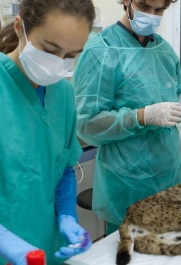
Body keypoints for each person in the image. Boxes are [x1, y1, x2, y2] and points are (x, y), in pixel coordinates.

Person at [72, 0, 181, 235]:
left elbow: (175, 110)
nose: (151, 15)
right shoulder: (101, 50)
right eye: (144, 6)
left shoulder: (163, 51)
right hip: (127, 181)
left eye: (159, 10)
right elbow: (86, 123)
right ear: (127, 1)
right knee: (128, 252)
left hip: (167, 173)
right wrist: (141, 116)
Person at [0, 0, 96, 264]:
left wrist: (66, 215)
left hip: (46, 247)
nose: (58, 64)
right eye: (50, 50)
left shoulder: (62, 95)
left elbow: (64, 168)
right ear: (20, 27)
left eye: (70, 55)